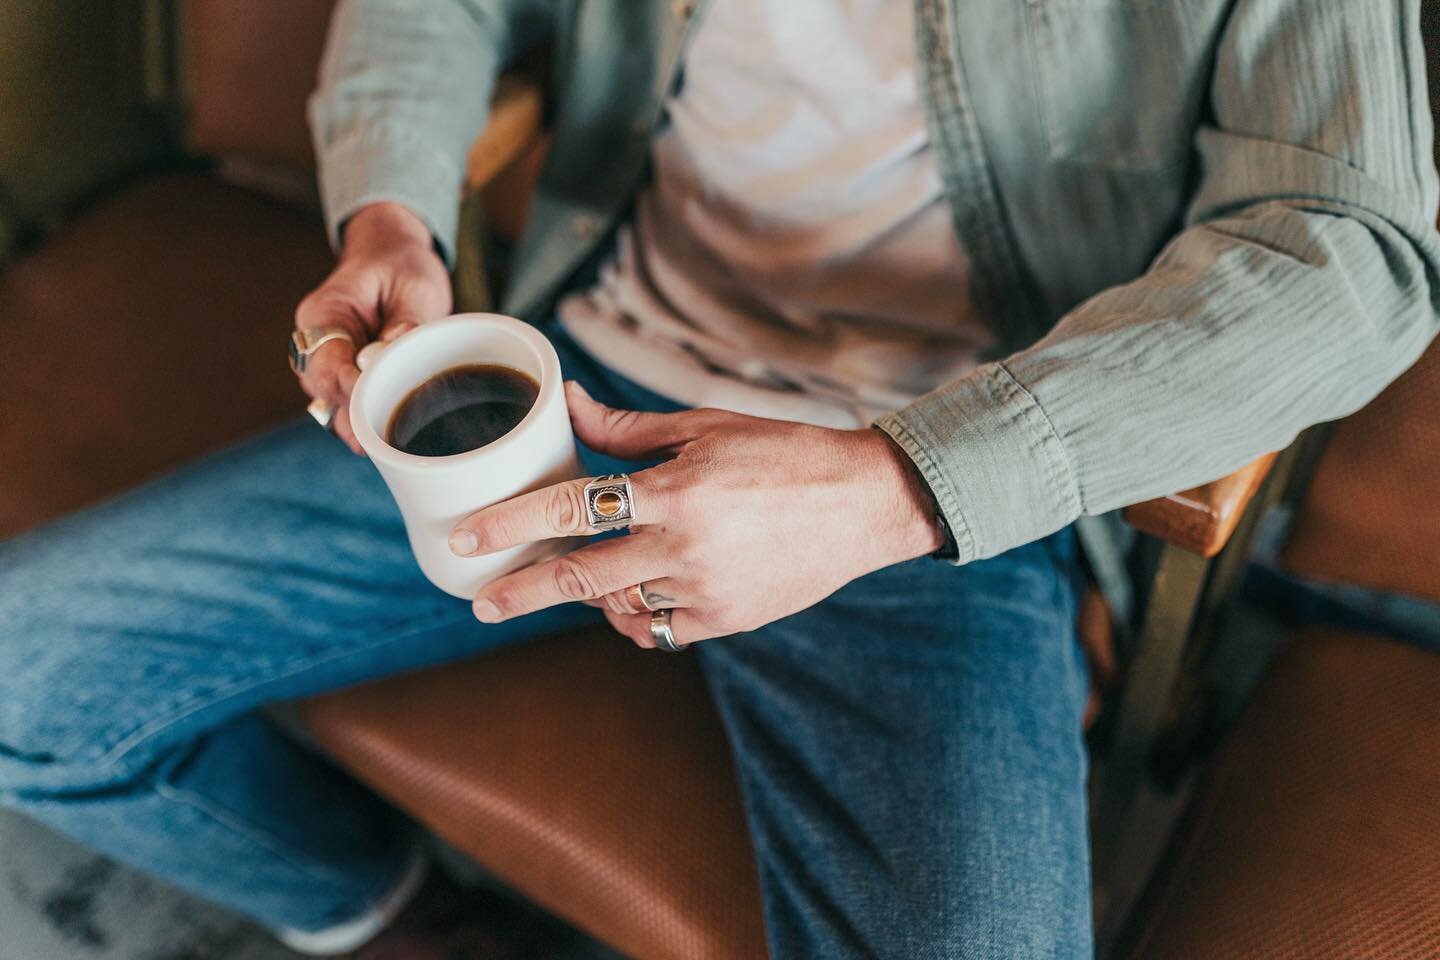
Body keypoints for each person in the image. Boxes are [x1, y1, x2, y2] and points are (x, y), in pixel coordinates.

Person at [1, 0, 1436, 957]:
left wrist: (892, 487)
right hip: (581, 375)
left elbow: (1353, 246)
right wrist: (389, 202)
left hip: (939, 469)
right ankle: (387, 917)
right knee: (24, 673)